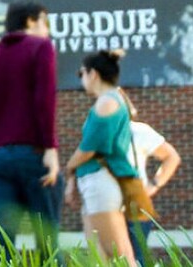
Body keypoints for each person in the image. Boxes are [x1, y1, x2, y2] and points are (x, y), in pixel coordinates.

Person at [0, 0, 62, 262]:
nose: (47, 29)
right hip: (33, 153)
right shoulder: (41, 47)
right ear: (30, 21)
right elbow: (44, 99)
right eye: (44, 21)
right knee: (46, 238)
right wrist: (50, 148)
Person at [63, 50, 137, 266]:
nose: (81, 79)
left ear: (92, 73)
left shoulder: (107, 102)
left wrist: (69, 166)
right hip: (95, 183)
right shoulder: (111, 100)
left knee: (121, 257)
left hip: (101, 182)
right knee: (100, 258)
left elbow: (88, 149)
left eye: (81, 73)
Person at [124, 96, 182, 266]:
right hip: (106, 204)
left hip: (135, 203)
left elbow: (172, 157)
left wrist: (153, 186)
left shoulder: (138, 131)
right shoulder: (99, 132)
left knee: (135, 258)